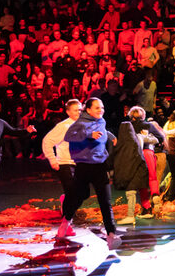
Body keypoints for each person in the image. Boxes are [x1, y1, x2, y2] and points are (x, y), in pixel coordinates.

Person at [64, 97, 120, 243]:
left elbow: (101, 130)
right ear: (88, 110)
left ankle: (111, 234)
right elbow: (68, 136)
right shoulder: (80, 123)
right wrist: (89, 135)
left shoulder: (101, 121)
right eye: (97, 108)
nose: (101, 110)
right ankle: (66, 221)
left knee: (105, 201)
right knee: (79, 197)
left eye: (102, 107)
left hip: (100, 165)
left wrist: (110, 135)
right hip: (84, 166)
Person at [42, 99, 82, 240]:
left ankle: (65, 204)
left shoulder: (84, 124)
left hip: (80, 164)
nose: (79, 112)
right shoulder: (63, 126)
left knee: (79, 194)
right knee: (73, 194)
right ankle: (67, 224)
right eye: (75, 110)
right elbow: (47, 141)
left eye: (80, 109)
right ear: (68, 112)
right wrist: (52, 159)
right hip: (65, 163)